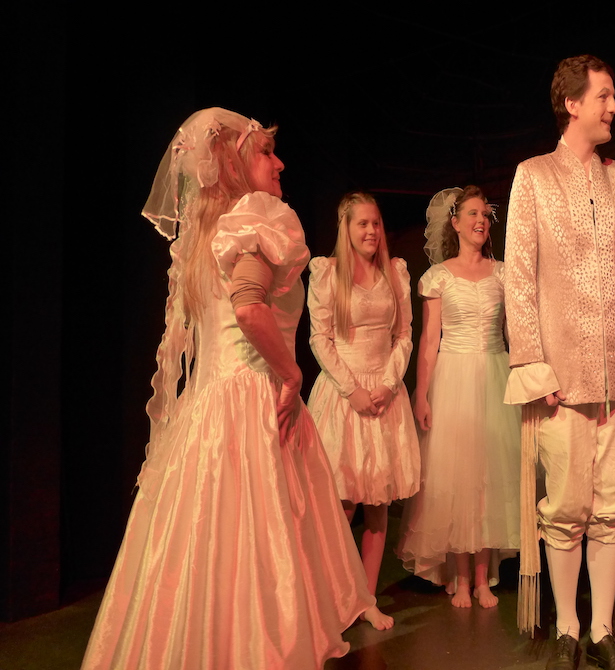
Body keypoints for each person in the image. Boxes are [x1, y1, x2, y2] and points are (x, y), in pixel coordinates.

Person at [81, 108, 375, 669]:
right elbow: (248, 308)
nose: (279, 163)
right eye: (265, 151)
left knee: (204, 549)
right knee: (259, 547)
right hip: (253, 401)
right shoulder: (257, 217)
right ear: (232, 163)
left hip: (207, 410)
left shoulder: (203, 237)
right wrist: (291, 373)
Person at [504, 55, 615, 670]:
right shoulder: (534, 176)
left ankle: (601, 631)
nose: (614, 107)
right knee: (566, 510)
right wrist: (534, 365)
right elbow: (519, 278)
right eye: (604, 96)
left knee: (612, 510)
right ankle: (567, 628)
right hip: (563, 380)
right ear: (572, 104)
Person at [396, 186, 521, 608]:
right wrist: (422, 394)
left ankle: (483, 578)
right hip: (453, 378)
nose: (481, 220)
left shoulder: (503, 273)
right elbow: (429, 341)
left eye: (485, 214)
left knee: (488, 479)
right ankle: (461, 577)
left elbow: (514, 335)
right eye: (472, 213)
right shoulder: (439, 276)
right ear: (455, 223)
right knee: (457, 479)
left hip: (495, 375)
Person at [306, 192, 420, 630]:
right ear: (346, 227)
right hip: (343, 395)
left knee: (377, 504)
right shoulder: (327, 272)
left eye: (376, 223)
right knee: (342, 503)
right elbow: (320, 338)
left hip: (384, 395)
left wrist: (388, 385)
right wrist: (352, 389)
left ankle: (367, 599)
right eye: (363, 224)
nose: (371, 231)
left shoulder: (395, 272)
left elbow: (403, 335)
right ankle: (336, 598)